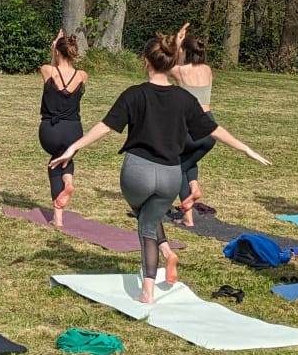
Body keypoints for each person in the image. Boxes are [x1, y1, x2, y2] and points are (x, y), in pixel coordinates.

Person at [50, 34, 271, 304]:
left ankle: (148, 291)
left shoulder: (134, 94)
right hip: (170, 175)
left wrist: (73, 148)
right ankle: (163, 259)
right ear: (170, 65)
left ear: (145, 62)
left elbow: (104, 127)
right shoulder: (184, 99)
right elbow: (214, 129)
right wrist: (245, 148)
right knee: (150, 220)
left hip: (137, 172)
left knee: (145, 221)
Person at [37, 30, 88, 224]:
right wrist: (58, 47)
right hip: (74, 130)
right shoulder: (82, 75)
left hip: (51, 129)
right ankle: (68, 181)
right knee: (66, 158)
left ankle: (58, 218)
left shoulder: (47, 70)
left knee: (55, 162)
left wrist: (54, 47)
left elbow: (52, 65)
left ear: (57, 52)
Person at [170, 23, 215, 226]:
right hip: (211, 127)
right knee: (189, 160)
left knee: (177, 165)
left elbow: (170, 62)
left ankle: (188, 217)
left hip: (190, 126)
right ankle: (194, 186)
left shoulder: (180, 71)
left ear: (185, 51)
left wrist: (177, 42)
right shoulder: (208, 69)